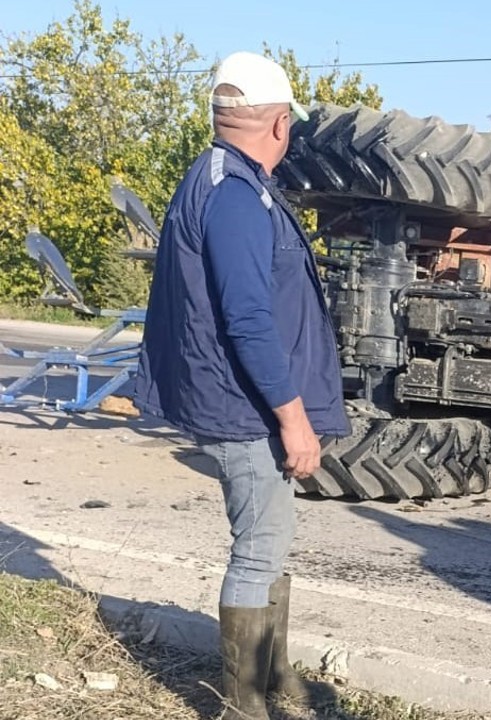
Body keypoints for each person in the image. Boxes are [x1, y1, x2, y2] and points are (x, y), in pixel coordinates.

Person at [133, 50, 349, 719]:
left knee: (271, 539)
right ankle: (245, 709)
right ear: (280, 124)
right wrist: (293, 417)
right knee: (257, 550)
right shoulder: (233, 195)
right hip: (244, 407)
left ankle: (277, 681)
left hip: (239, 399)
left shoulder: (222, 179)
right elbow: (248, 319)